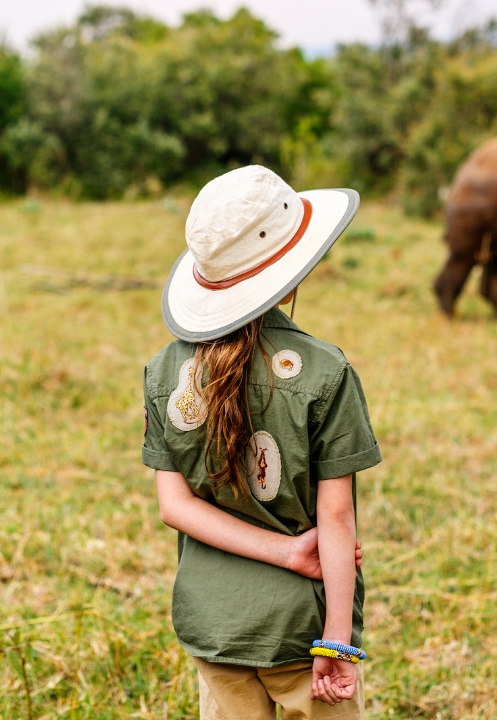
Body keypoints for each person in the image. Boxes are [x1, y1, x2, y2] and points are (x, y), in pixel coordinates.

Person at [143, 165, 382, 718]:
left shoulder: (162, 373)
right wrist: (337, 642)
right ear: (291, 272)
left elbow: (173, 506)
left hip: (216, 625)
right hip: (303, 630)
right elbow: (338, 518)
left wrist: (285, 554)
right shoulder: (326, 372)